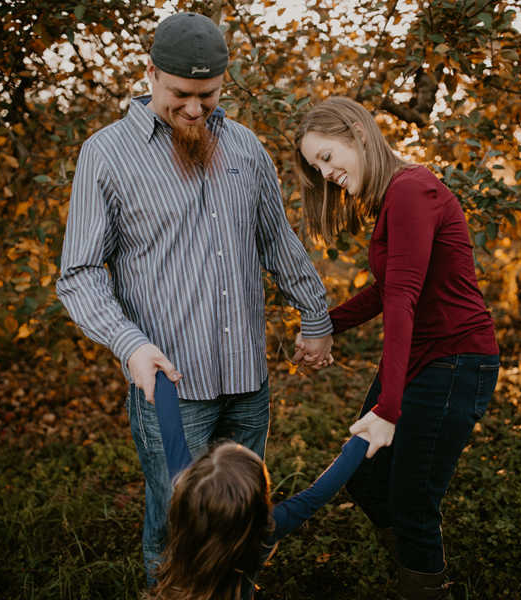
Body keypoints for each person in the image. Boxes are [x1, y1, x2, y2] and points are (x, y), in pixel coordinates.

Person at [55, 12, 334, 581]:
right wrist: (130, 346)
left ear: (223, 82)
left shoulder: (246, 148)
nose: (193, 108)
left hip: (247, 384)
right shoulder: (106, 155)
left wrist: (315, 315)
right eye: (180, 93)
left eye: (206, 95)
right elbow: (79, 273)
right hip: (170, 392)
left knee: (244, 519)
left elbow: (276, 239)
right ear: (152, 73)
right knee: (173, 522)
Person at [292, 96, 500, 600]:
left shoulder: (412, 190)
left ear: (358, 135)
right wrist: (323, 325)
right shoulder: (394, 197)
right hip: (425, 360)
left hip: (455, 361)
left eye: (326, 157)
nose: (325, 174)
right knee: (364, 480)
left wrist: (388, 410)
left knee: (412, 499)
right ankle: (413, 560)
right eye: (315, 167)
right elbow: (389, 289)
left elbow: (403, 299)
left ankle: (424, 583)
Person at [147, 372, 369, 600]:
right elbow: (315, 495)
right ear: (257, 500)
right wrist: (364, 439)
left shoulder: (184, 494)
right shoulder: (264, 529)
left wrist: (160, 373)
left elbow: (171, 430)